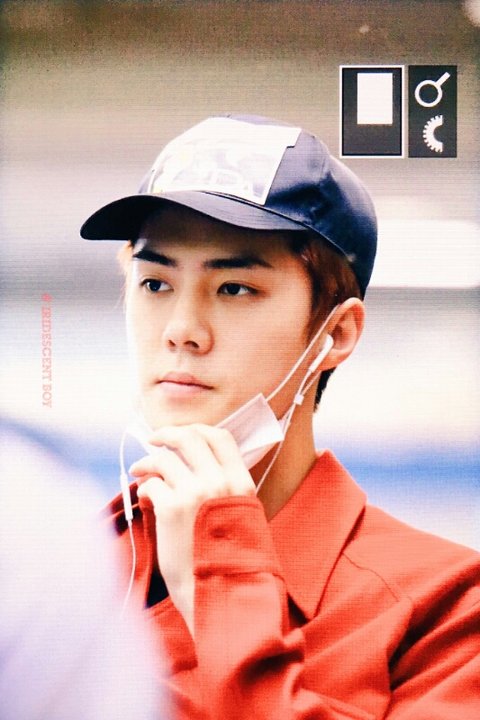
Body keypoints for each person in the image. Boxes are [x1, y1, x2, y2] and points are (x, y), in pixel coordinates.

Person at [80, 114, 480, 719]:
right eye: (156, 284)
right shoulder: (60, 567)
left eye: (234, 288)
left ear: (335, 334)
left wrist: (222, 587)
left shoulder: (445, 608)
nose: (181, 331)